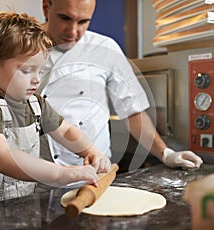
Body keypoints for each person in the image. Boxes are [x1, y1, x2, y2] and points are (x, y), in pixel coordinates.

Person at [0, 11, 111, 215]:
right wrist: (60, 174)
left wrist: (90, 151)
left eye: (39, 71)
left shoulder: (36, 104)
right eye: (26, 70)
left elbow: (66, 131)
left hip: (19, 207)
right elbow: (1, 158)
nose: (36, 80)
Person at [37, 0, 203, 171]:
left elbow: (133, 111)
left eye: (83, 22)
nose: (73, 31)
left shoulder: (105, 49)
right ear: (46, 7)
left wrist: (165, 153)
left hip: (92, 171)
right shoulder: (22, 45)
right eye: (65, 18)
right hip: (36, 172)